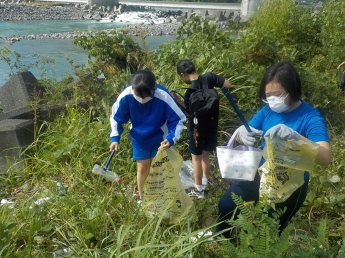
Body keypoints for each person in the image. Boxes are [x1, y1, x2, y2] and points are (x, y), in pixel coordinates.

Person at [216, 60, 332, 236]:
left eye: (276, 95)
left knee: (270, 228)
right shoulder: (268, 110)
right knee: (226, 204)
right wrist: (240, 134)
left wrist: (297, 138)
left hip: (290, 184)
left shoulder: (310, 117)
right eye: (267, 96)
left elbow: (326, 157)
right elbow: (248, 129)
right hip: (261, 172)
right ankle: (225, 242)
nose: (271, 101)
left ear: (292, 90)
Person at [109, 69, 186, 200]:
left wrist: (171, 139)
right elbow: (117, 118)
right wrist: (115, 138)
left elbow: (178, 119)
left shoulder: (163, 96)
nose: (142, 99)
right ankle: (143, 196)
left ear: (153, 89)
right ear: (133, 88)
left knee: (161, 168)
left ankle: (162, 196)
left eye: (146, 97)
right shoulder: (126, 96)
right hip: (140, 139)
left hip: (161, 139)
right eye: (139, 95)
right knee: (142, 167)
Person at [176, 59, 232, 199]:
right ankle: (207, 182)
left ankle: (199, 189)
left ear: (183, 74)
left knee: (196, 158)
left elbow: (188, 113)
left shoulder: (189, 92)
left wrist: (178, 101)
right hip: (212, 126)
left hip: (196, 129)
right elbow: (228, 84)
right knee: (205, 156)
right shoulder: (209, 77)